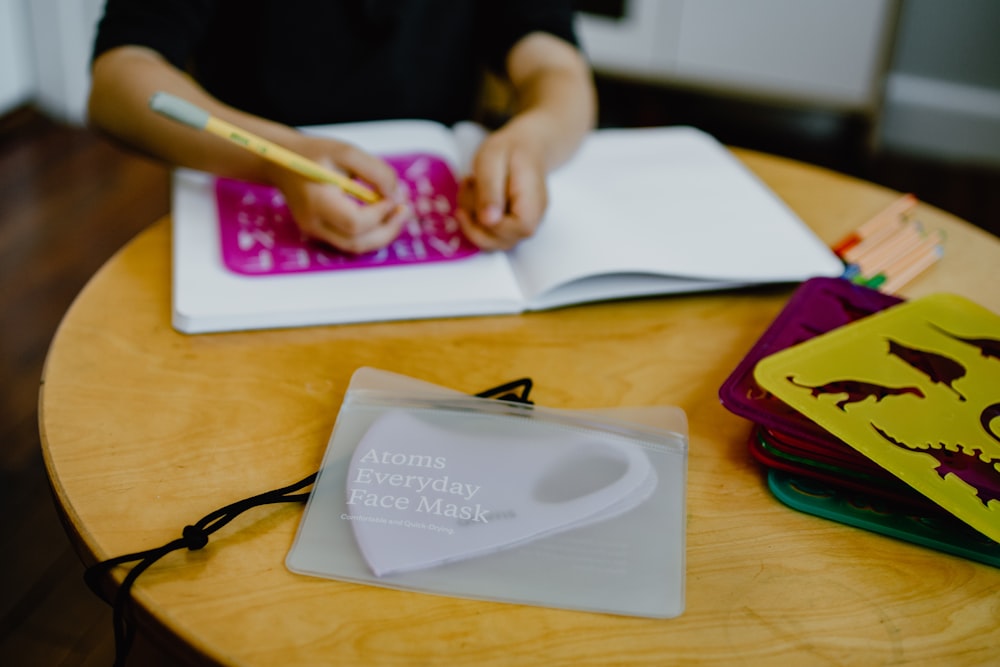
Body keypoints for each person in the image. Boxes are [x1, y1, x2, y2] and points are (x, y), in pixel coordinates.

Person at [87, 1, 597, 254]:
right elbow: (118, 80)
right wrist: (274, 156)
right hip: (250, 203)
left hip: (439, 224)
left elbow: (557, 68)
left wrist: (535, 136)